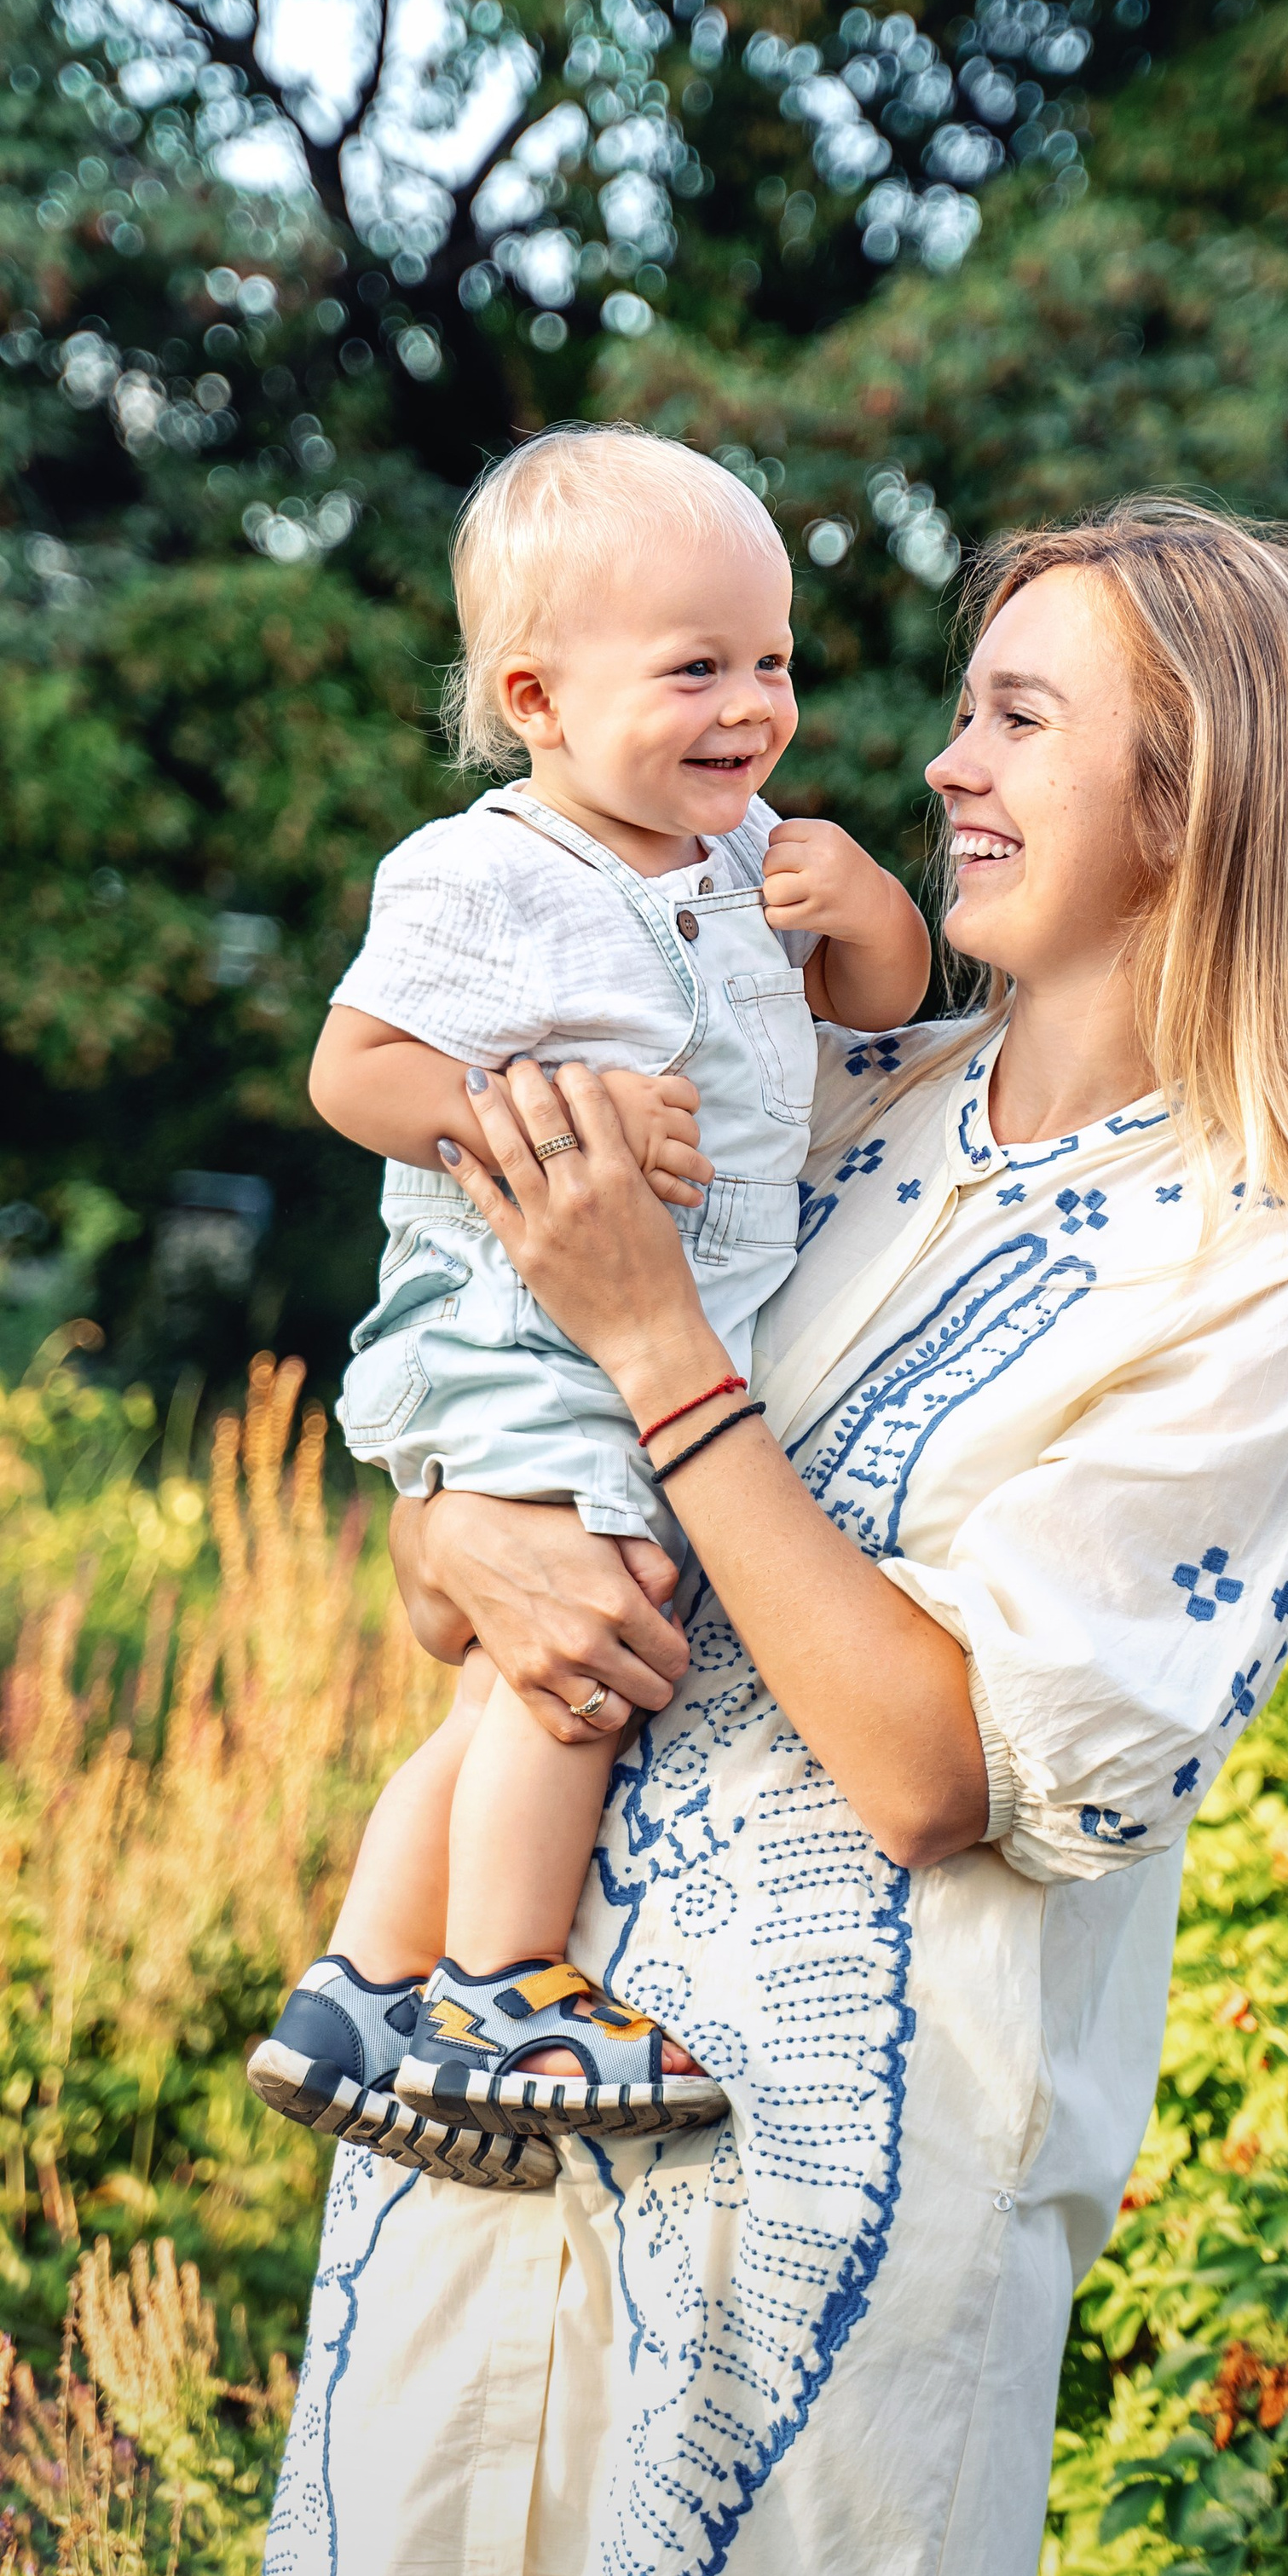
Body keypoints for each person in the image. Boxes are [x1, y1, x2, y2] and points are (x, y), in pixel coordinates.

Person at [240, 499, 1288, 2576]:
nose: (942, 768)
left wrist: (653, 1351)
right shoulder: (835, 1103)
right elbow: (511, 1454)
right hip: (501, 2133)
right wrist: (448, 1537)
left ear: (1197, 798)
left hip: (804, 2248)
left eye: (1017, 718)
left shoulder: (1261, 1286)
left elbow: (930, 1763)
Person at [246, 425, 929, 2173]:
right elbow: (353, 1071)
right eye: (694, 667)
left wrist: (864, 911)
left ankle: (358, 1996)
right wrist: (531, 1116)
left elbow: (875, 1007)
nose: (750, 705)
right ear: (538, 698)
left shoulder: (742, 852)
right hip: (519, 1315)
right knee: (587, 1637)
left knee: (495, 1690)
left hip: (635, 1332)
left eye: (770, 661)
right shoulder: (486, 877)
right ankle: (501, 1985)